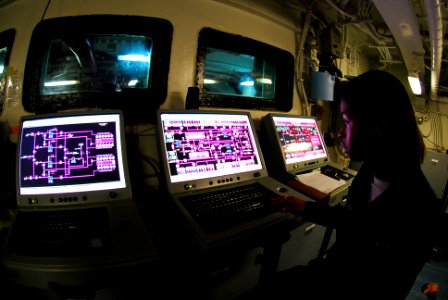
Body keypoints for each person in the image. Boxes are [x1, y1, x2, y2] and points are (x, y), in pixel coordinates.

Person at [255, 70, 441, 299]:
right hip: (335, 273)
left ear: (378, 128)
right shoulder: (372, 169)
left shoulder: (420, 208)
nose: (341, 132)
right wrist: (306, 208)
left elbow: (382, 284)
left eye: (347, 121)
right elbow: (357, 220)